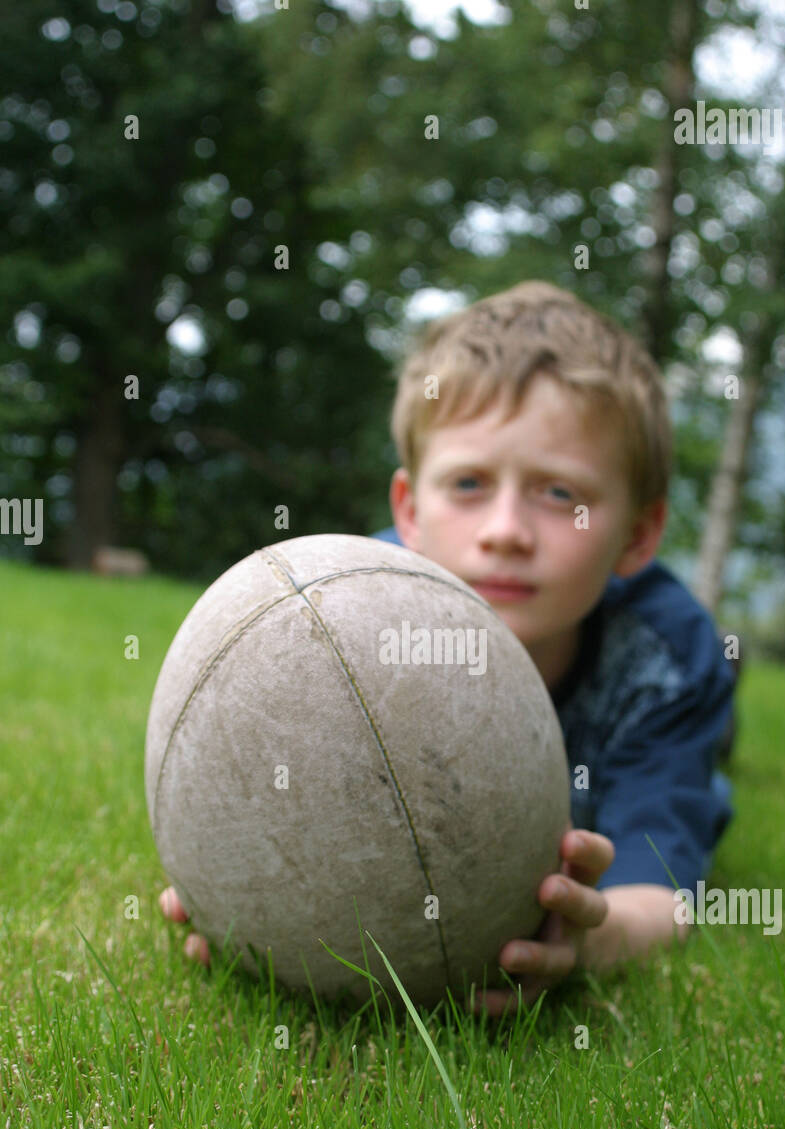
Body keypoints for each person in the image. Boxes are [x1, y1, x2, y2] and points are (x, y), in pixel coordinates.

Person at [161, 280, 737, 1016]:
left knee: (701, 784)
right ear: (409, 516)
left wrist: (589, 940)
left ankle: (720, 726)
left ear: (638, 534)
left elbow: (662, 898)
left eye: (560, 494)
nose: (505, 530)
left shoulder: (668, 662)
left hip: (652, 711)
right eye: (468, 483)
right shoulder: (333, 625)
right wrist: (236, 867)